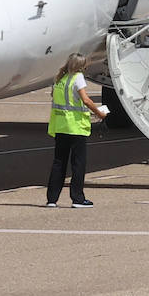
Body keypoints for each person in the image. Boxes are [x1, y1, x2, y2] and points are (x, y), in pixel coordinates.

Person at [45, 53, 108, 208]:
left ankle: (52, 199)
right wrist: (99, 113)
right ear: (82, 66)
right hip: (76, 127)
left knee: (59, 162)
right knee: (78, 164)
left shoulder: (60, 78)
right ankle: (77, 198)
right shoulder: (77, 77)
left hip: (60, 126)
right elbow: (85, 100)